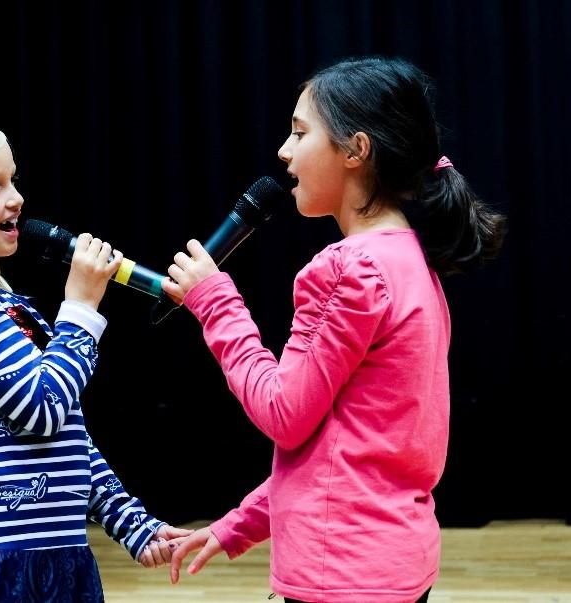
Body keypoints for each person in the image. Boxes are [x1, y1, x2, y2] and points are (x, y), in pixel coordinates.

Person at [162, 57, 506, 603]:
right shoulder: (412, 262)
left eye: (300, 132)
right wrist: (235, 527)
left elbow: (284, 415)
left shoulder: (348, 268)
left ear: (355, 150)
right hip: (393, 564)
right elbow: (340, 453)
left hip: (342, 577)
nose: (283, 151)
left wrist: (217, 303)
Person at [0, 110, 191, 602]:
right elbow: (41, 407)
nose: (16, 197)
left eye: (14, 180)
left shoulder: (7, 304)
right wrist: (81, 309)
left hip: (56, 559)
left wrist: (134, 525)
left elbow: (67, 440)